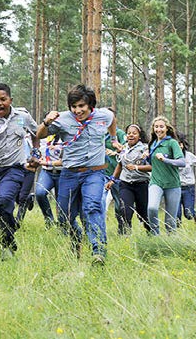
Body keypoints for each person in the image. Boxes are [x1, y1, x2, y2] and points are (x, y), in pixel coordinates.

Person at [37, 84, 122, 265]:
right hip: (70, 173)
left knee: (92, 207)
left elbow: (112, 119)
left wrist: (113, 139)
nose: (78, 110)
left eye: (81, 106)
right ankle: (77, 237)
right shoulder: (63, 119)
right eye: (74, 107)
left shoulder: (102, 116)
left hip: (95, 172)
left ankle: (98, 251)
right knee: (64, 216)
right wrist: (47, 122)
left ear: (90, 105)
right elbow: (40, 134)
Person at [0, 83, 38, 258]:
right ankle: (7, 242)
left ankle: (8, 245)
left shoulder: (22, 117)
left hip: (14, 169)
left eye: (3, 99)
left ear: (10, 100)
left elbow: (37, 133)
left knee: (3, 200)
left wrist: (35, 152)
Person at [105, 124, 151, 234]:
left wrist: (137, 167)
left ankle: (151, 232)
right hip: (126, 184)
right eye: (129, 133)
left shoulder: (145, 149)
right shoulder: (124, 148)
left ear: (139, 136)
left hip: (141, 184)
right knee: (124, 210)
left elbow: (151, 167)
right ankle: (125, 235)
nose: (131, 135)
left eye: (134, 133)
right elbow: (120, 165)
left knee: (143, 213)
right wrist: (112, 179)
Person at [146, 116, 185, 235]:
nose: (159, 129)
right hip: (156, 182)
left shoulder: (172, 143)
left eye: (161, 127)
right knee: (152, 208)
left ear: (167, 128)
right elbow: (153, 164)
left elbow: (182, 162)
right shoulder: (152, 144)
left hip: (172, 185)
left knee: (170, 220)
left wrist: (165, 160)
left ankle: (171, 245)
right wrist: (146, 158)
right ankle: (155, 235)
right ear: (153, 129)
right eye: (156, 127)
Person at [102, 108, 127, 234]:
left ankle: (122, 229)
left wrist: (115, 151)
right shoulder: (98, 132)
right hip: (101, 173)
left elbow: (126, 149)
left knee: (119, 205)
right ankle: (99, 230)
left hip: (117, 174)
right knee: (99, 202)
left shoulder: (120, 134)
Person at [35, 134, 63, 228]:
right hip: (47, 171)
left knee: (61, 201)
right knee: (39, 193)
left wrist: (47, 162)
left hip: (62, 172)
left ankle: (62, 225)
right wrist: (38, 157)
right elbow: (39, 147)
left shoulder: (66, 134)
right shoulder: (45, 134)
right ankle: (49, 220)